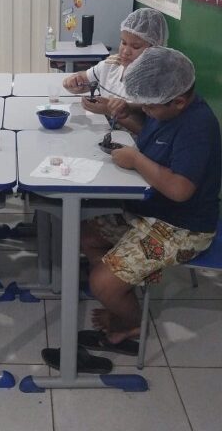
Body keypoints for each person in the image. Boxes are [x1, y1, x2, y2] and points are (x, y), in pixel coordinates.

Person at [71, 47, 220, 358]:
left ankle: (130, 323)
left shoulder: (197, 128)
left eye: (150, 107)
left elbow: (180, 190)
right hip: (150, 209)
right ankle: (121, 290)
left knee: (100, 283)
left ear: (179, 101)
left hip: (182, 228)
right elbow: (154, 136)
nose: (146, 111)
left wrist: (137, 160)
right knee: (85, 235)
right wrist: (126, 116)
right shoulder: (169, 110)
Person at [62, 8, 168, 120]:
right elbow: (83, 79)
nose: (125, 51)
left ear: (155, 49)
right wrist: (72, 82)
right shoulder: (112, 64)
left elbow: (143, 127)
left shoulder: (155, 81)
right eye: (124, 42)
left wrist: (109, 111)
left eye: (135, 47)